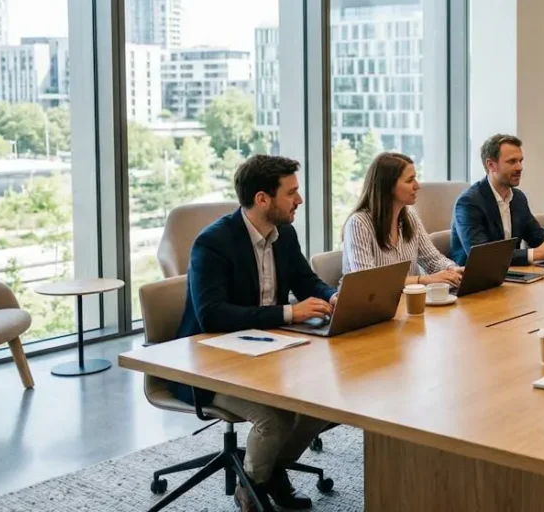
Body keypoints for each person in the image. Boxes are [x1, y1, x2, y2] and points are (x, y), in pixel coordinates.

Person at [175, 155, 338, 511]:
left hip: (269, 352)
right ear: (263, 199)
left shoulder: (284, 234)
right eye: (292, 192)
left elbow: (305, 280)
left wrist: (333, 294)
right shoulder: (213, 242)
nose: (300, 200)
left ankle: (269, 473)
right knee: (275, 418)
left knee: (320, 405)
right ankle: (251, 491)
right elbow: (211, 315)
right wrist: (288, 312)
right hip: (210, 364)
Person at [342, 152, 463, 285]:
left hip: (407, 300)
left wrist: (452, 269)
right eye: (409, 180)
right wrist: (423, 280)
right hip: (369, 304)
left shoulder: (410, 216)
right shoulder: (358, 223)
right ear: (388, 186)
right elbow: (367, 280)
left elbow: (432, 259)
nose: (417, 186)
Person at [450, 134, 544, 266]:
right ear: (491, 165)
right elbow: (482, 255)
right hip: (478, 282)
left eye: (520, 161)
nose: (520, 167)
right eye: (512, 161)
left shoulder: (518, 198)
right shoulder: (468, 202)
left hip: (513, 276)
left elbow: (537, 237)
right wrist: (534, 254)